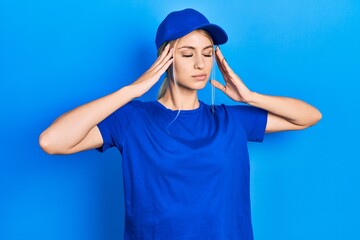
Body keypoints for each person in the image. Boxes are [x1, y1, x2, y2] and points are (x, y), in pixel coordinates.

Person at [39, 8, 322, 240]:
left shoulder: (230, 120)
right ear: (165, 59)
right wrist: (131, 91)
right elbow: (52, 141)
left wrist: (249, 96)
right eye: (188, 54)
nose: (200, 63)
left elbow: (308, 116)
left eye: (208, 53)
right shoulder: (132, 120)